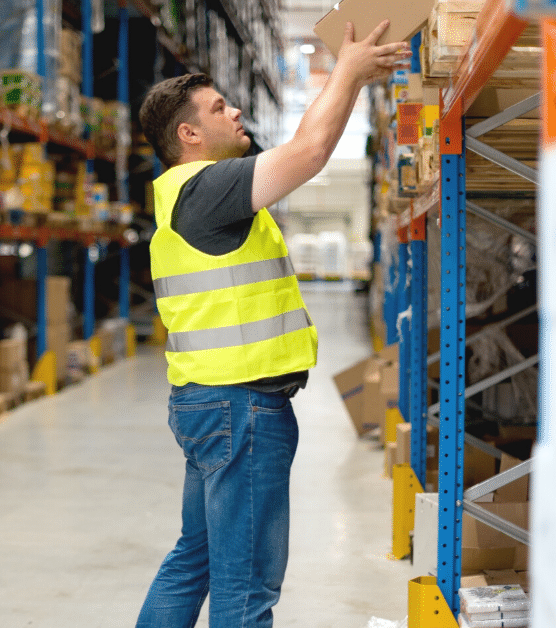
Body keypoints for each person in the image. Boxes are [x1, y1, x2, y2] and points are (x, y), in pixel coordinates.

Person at [135, 21, 411, 627]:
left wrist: (350, 80)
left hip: (208, 402)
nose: (235, 111)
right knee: (246, 586)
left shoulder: (191, 193)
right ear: (189, 135)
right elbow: (310, 153)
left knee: (198, 558)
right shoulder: (204, 190)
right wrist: (349, 69)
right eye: (217, 108)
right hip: (240, 408)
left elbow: (305, 146)